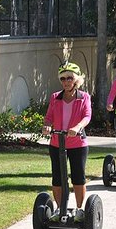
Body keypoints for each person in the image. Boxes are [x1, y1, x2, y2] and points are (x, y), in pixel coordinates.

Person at [42, 62, 92, 221]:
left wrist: (77, 127)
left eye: (69, 78)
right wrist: (47, 126)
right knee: (57, 177)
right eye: (63, 78)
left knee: (78, 177)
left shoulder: (84, 97)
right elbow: (49, 116)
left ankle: (79, 209)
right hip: (57, 143)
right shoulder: (55, 97)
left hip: (77, 143)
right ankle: (58, 209)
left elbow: (87, 116)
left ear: (76, 79)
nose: (66, 81)